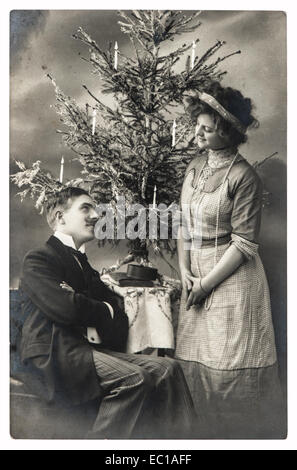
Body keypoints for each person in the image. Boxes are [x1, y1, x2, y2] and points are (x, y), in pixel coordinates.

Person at [19, 186, 195, 439]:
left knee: (168, 368)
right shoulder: (39, 259)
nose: (95, 215)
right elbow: (69, 309)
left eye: (95, 208)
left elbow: (117, 316)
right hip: (53, 353)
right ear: (60, 218)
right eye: (85, 208)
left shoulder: (83, 265)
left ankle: (187, 442)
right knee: (135, 378)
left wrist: (98, 310)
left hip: (83, 350)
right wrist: (103, 309)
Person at [175, 81, 285, 438]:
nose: (198, 134)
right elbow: (182, 223)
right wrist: (186, 272)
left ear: (227, 132)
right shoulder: (194, 167)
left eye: (206, 129)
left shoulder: (244, 177)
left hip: (233, 280)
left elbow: (244, 244)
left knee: (227, 368)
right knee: (195, 369)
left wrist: (206, 284)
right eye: (198, 126)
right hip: (195, 276)